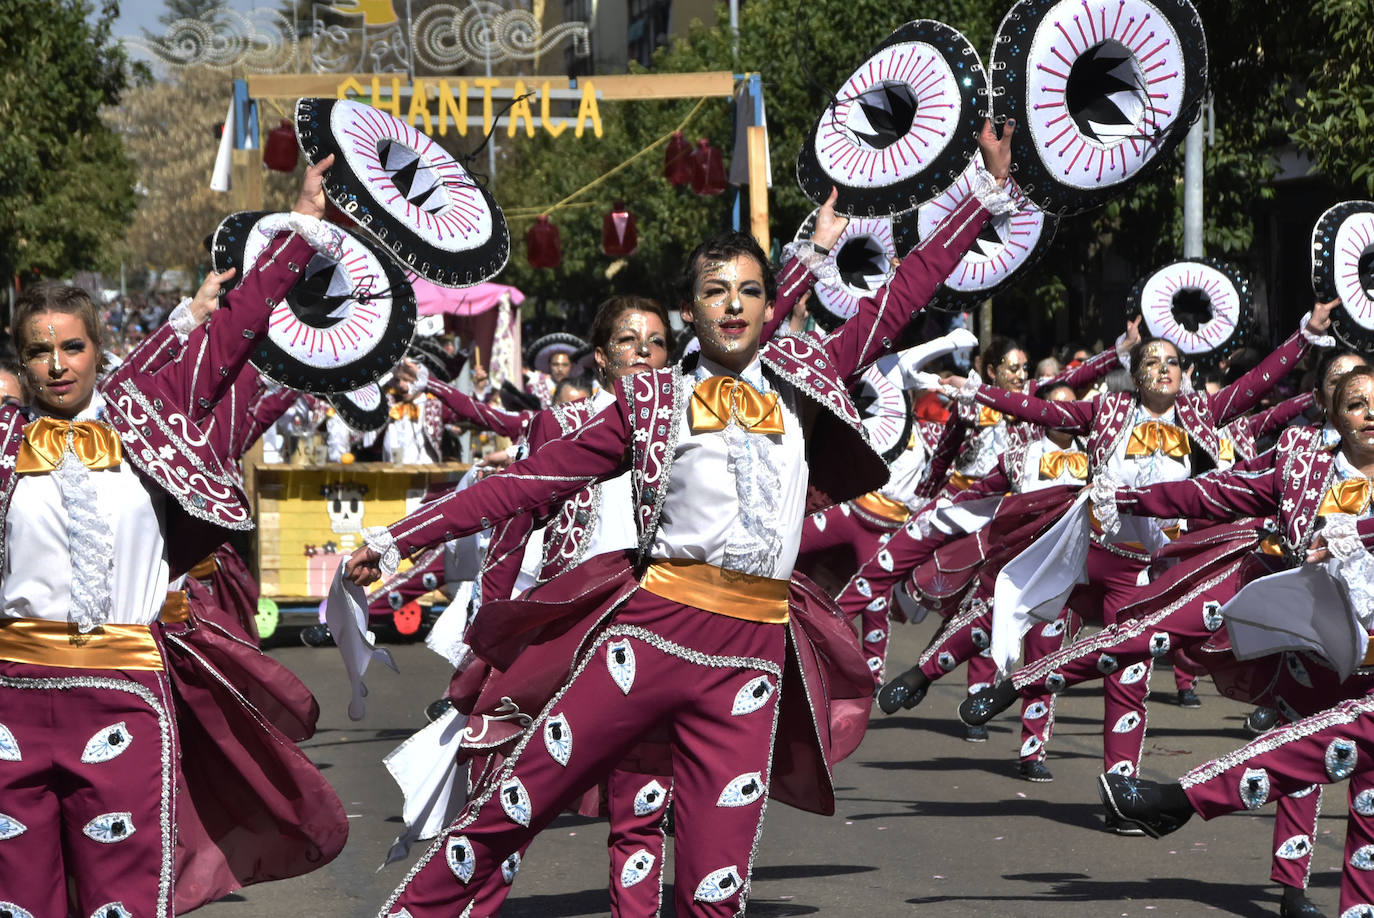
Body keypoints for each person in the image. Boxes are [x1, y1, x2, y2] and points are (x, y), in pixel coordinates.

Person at [345, 119, 1019, 918]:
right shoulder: (652, 401)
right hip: (649, 638)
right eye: (713, 292)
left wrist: (982, 194)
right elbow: (522, 484)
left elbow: (901, 294)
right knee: (509, 812)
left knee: (714, 889)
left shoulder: (808, 376)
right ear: (690, 311)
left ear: (770, 305)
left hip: (752, 659)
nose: (733, 305)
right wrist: (396, 538)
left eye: (750, 292)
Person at [0, 157, 348, 916]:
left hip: (124, 695)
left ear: (99, 352)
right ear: (20, 363)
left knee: (122, 898)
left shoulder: (146, 415)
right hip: (11, 701)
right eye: (39, 352)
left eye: (72, 348)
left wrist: (303, 225)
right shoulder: (2, 442)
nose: (57, 366)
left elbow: (234, 331)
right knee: (17, 901)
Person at [1094, 364, 1374, 918]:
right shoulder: (1305, 470)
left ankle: (1182, 800)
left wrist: (1357, 532)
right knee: (1300, 755)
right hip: (1316, 646)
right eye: (1357, 404)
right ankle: (1292, 888)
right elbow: (1217, 491)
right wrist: (1126, 496)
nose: (1372, 415)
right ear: (1332, 414)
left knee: (1365, 794)